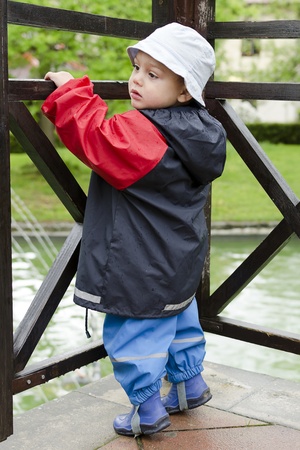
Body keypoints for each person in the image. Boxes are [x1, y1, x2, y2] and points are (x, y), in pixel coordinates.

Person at [42, 22, 226, 437]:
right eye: (138, 68)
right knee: (179, 317)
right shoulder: (203, 130)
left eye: (153, 74)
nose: (136, 80)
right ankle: (189, 386)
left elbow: (93, 135)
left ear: (184, 91)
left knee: (133, 332)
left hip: (137, 264)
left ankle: (147, 410)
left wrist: (70, 88)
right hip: (178, 259)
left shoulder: (143, 133)